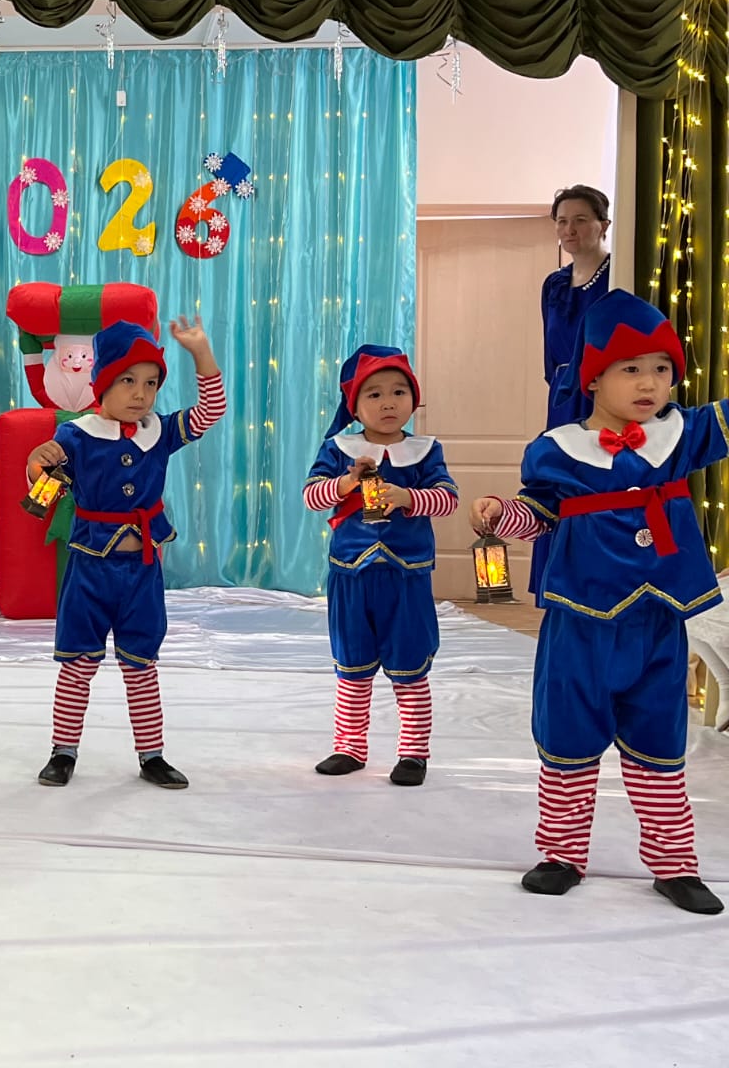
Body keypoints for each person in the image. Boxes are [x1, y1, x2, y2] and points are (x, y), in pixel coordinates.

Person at [472, 289, 723, 915]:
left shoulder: (681, 436)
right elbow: (538, 513)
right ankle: (561, 855)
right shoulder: (557, 449)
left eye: (661, 368)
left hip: (655, 619)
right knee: (568, 736)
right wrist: (500, 515)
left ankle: (675, 864)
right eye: (630, 368)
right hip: (581, 622)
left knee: (660, 742)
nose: (649, 383)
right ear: (593, 378)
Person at [27, 317, 226, 790]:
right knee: (77, 664)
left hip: (141, 572)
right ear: (102, 383)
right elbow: (41, 478)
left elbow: (211, 410)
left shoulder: (160, 431)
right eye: (128, 381)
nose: (141, 394)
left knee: (141, 665)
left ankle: (151, 755)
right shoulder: (77, 434)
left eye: (151, 383)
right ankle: (63, 751)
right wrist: (36, 462)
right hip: (90, 569)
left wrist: (201, 352)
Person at [301, 346, 458, 785]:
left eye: (398, 391)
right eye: (374, 394)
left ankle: (414, 753)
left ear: (414, 398)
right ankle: (350, 747)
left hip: (407, 576)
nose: (388, 402)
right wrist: (347, 482)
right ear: (354, 405)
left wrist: (409, 497)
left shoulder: (426, 451)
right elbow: (312, 497)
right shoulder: (339, 449)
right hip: (351, 573)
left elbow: (448, 499)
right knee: (352, 666)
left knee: (410, 667)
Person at [535, 185, 612, 594]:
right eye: (562, 221)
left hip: (605, 398)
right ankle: (559, 585)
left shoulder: (619, 274)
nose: (570, 229)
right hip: (563, 400)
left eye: (580, 220)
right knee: (558, 481)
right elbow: (550, 354)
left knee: (598, 482)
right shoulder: (553, 284)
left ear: (603, 225)